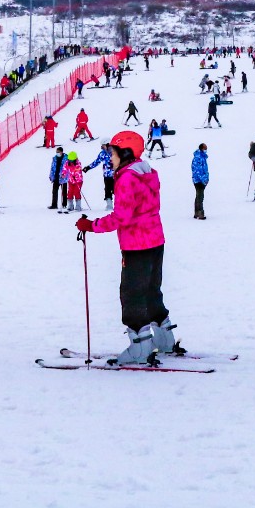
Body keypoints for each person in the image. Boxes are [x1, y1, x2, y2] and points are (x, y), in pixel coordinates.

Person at [76, 130, 179, 365]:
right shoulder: (148, 173)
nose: (109, 157)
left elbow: (122, 216)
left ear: (124, 152)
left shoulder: (126, 178)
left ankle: (140, 347)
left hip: (136, 245)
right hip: (155, 241)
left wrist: (92, 225)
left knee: (131, 294)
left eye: (111, 152)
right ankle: (164, 339)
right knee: (151, 290)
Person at [191, 143, 210, 220]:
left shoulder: (202, 157)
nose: (206, 149)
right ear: (202, 148)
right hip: (198, 180)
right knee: (200, 196)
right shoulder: (198, 158)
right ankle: (200, 213)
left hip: (202, 179)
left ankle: (196, 212)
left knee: (198, 195)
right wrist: (203, 180)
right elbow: (197, 170)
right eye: (205, 148)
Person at [49, 147, 68, 212]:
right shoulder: (54, 158)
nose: (57, 153)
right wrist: (51, 176)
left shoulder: (66, 158)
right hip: (56, 177)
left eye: (58, 152)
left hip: (63, 177)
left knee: (64, 191)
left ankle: (64, 204)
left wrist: (64, 175)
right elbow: (52, 167)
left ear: (61, 152)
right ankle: (54, 204)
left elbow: (67, 168)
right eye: (56, 152)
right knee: (54, 191)